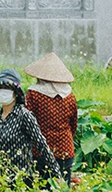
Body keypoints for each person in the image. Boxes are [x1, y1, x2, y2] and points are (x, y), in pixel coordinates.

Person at [0, 68, 59, 185]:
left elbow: (41, 144)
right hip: (0, 178)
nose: (2, 92)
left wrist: (56, 174)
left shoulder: (24, 116)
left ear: (15, 93)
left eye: (7, 88)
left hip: (21, 179)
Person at [22, 51, 79, 182]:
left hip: (40, 150)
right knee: (62, 188)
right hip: (66, 148)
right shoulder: (69, 96)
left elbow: (26, 121)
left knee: (42, 187)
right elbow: (73, 124)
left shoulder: (34, 94)